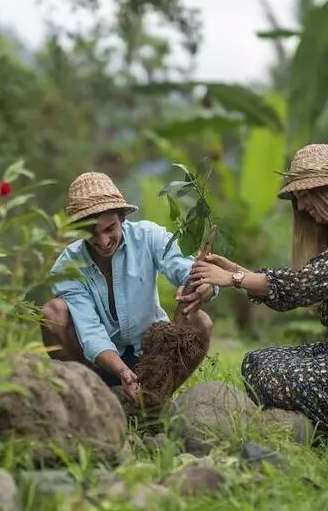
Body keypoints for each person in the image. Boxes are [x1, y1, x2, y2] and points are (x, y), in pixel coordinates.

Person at [189, 143, 328, 447]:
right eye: (297, 198)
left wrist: (235, 278)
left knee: (281, 378)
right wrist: (235, 268)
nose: (301, 206)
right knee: (257, 363)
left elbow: (306, 285)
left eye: (306, 195)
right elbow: (295, 290)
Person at [41, 172, 216, 404]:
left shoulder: (148, 236)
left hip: (152, 355)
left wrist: (204, 285)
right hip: (98, 361)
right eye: (91, 233)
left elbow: (183, 268)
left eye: (109, 229)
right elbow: (90, 331)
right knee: (53, 313)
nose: (103, 241)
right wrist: (122, 371)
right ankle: (91, 397)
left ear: (122, 217)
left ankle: (154, 401)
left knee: (199, 322)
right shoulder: (68, 266)